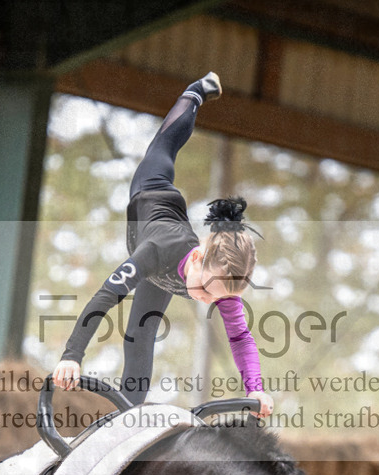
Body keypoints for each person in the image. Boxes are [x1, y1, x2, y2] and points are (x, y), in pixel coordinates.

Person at [51, 72, 273, 417]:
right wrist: (71, 356)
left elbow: (241, 338)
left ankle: (125, 416)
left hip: (169, 271)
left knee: (142, 332)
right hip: (152, 192)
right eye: (204, 289)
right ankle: (196, 92)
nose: (206, 300)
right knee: (163, 147)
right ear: (198, 257)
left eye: (216, 297)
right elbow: (106, 297)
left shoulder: (222, 287)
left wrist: (255, 389)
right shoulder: (157, 251)